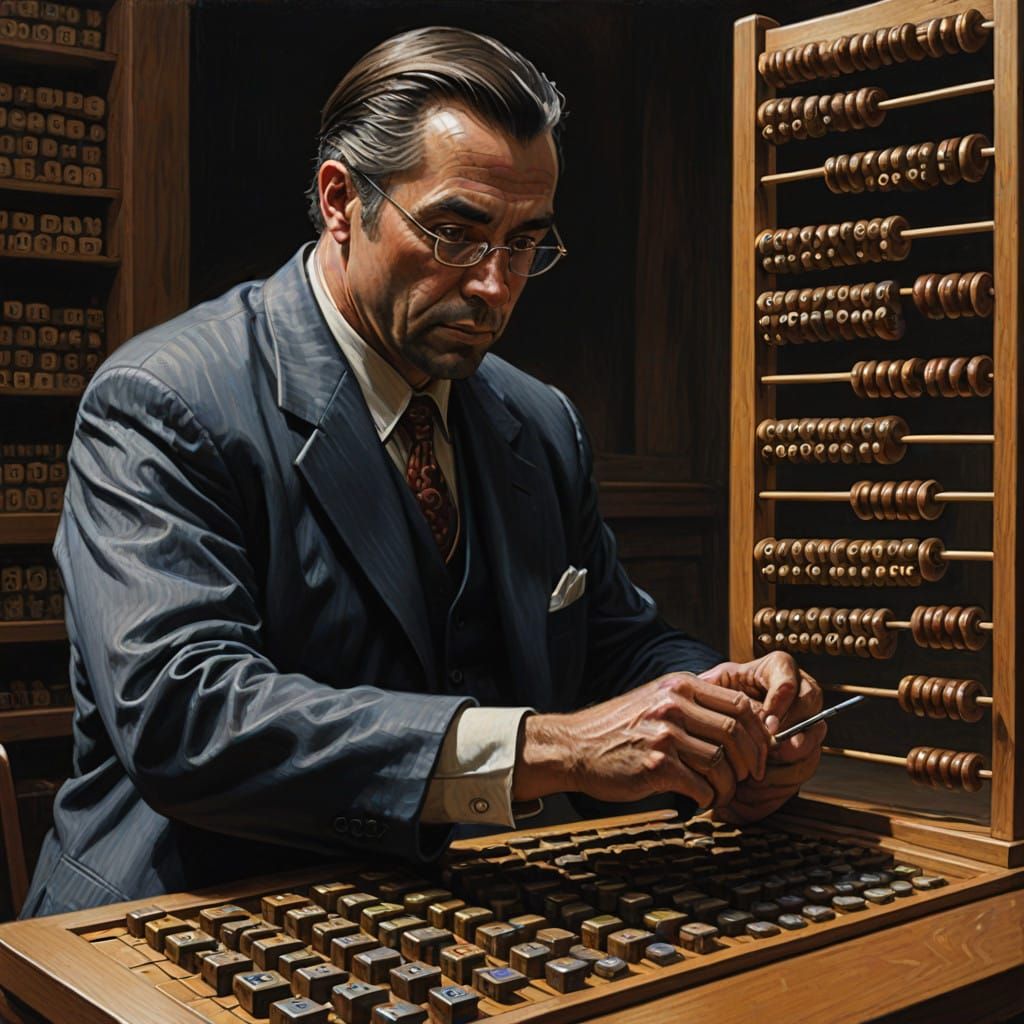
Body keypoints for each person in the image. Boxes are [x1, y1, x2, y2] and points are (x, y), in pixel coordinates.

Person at [22, 26, 824, 918]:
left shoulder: (539, 422)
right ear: (340, 200)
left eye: (525, 242)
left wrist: (722, 711)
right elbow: (188, 720)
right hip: (178, 912)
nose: (494, 285)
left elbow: (614, 645)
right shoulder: (163, 400)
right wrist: (540, 749)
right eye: (455, 233)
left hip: (447, 912)